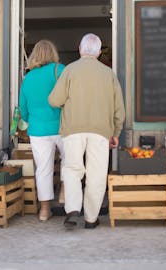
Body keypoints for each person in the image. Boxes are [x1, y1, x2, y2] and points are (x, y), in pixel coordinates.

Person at [49, 33, 125, 230]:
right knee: (97, 174)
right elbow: (119, 109)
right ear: (99, 52)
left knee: (73, 170)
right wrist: (116, 132)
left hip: (73, 129)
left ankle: (73, 209)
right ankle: (91, 219)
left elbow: (54, 100)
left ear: (80, 49)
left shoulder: (70, 70)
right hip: (101, 132)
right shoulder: (109, 74)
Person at [19, 40, 66, 221]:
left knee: (43, 169)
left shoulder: (28, 77)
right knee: (68, 160)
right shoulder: (60, 70)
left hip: (38, 129)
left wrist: (31, 120)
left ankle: (45, 210)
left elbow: (23, 108)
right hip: (62, 125)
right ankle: (63, 191)